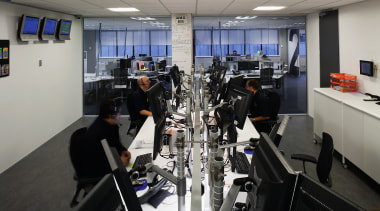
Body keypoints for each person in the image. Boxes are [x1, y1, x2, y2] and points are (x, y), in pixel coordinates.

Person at [81, 99, 131, 178]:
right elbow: (97, 162)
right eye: (118, 113)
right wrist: (118, 164)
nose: (119, 116)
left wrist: (123, 151)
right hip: (99, 172)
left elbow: (116, 144)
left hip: (111, 164)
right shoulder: (97, 133)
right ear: (112, 115)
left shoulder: (112, 126)